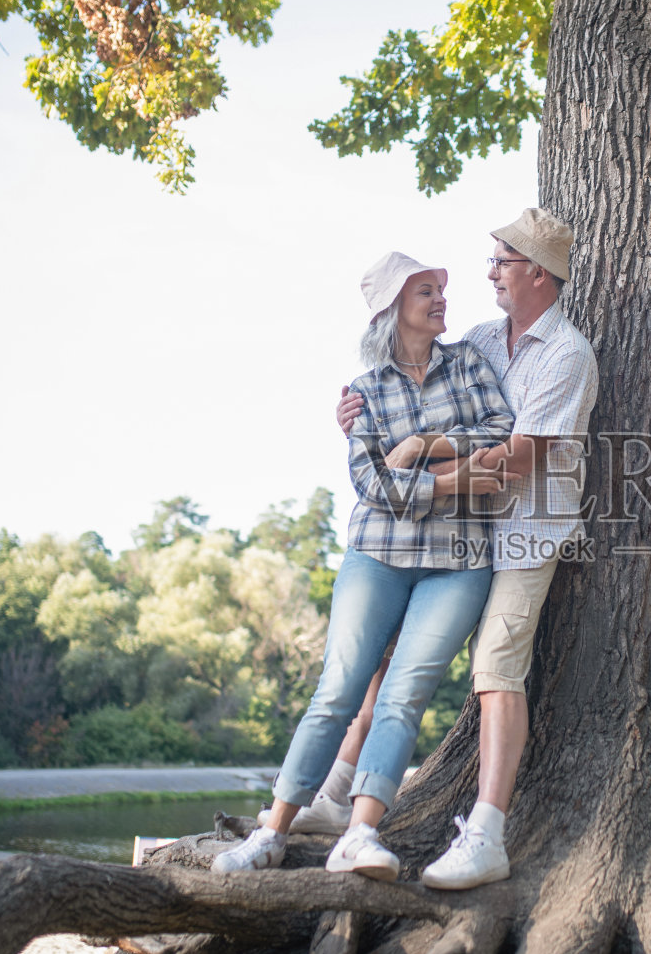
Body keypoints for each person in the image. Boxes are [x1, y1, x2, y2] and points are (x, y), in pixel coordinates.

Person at [213, 252, 517, 877]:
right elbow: (371, 484)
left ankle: (359, 835)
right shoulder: (365, 392)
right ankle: (271, 834)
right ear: (392, 311)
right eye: (425, 291)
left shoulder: (468, 361)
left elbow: (501, 431)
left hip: (458, 562)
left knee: (404, 696)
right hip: (376, 555)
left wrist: (422, 446)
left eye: (438, 289)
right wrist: (455, 481)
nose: (440, 299)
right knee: (337, 690)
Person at [334, 207, 598, 889]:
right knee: (390, 649)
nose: (490, 275)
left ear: (538, 273)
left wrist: (416, 458)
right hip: (463, 527)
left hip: (525, 534)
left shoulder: (567, 354)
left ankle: (486, 835)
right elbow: (414, 382)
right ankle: (337, 790)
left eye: (501, 263)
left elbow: (517, 460)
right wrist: (359, 416)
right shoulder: (481, 338)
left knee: (495, 669)